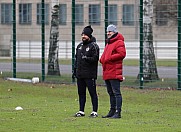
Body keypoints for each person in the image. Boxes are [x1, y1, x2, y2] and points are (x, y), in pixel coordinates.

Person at [72, 25, 99, 118]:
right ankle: (81, 110)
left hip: (89, 74)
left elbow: (95, 58)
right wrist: (75, 70)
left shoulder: (93, 46)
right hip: (80, 75)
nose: (83, 36)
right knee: (81, 93)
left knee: (92, 93)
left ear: (89, 36)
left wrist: (87, 58)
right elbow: (76, 59)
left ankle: (94, 111)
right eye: (82, 34)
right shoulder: (79, 46)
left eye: (85, 35)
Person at [100, 24, 126, 119]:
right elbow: (105, 55)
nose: (108, 33)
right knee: (110, 92)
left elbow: (122, 54)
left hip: (114, 72)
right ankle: (112, 111)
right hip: (107, 71)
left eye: (110, 31)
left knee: (116, 92)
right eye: (107, 31)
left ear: (114, 32)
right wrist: (102, 59)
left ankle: (117, 112)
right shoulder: (109, 43)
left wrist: (109, 58)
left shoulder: (119, 42)